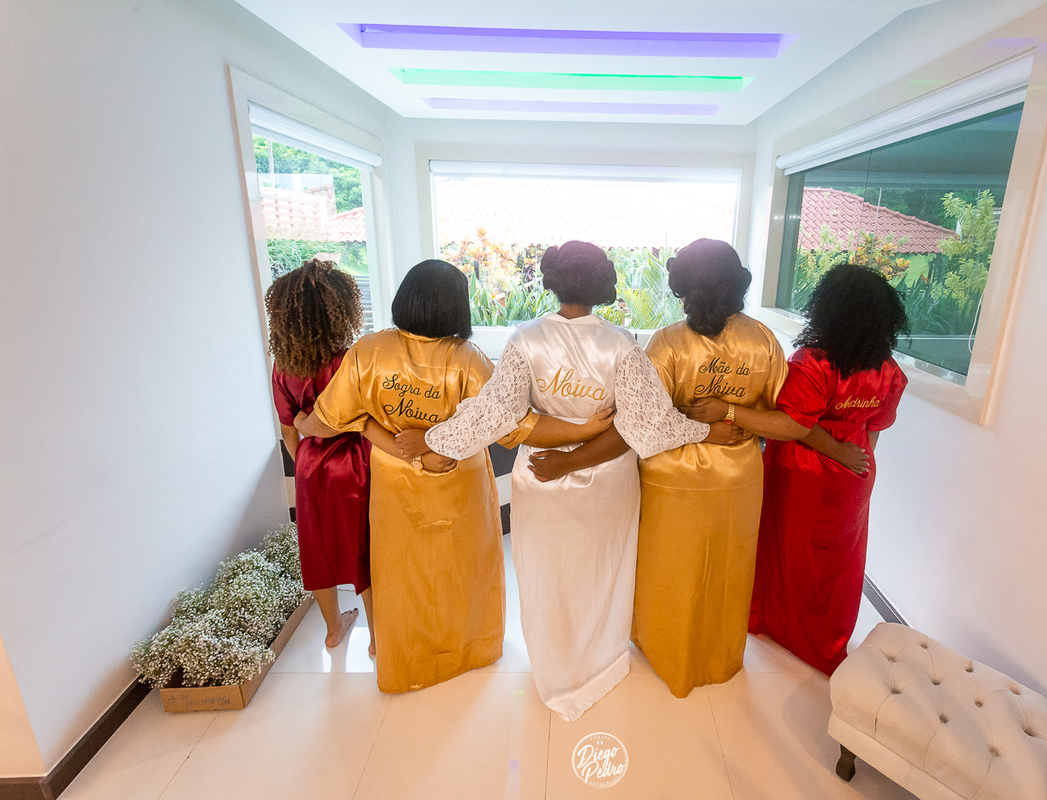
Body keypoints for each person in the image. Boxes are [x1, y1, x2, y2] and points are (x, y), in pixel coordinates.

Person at [396, 241, 741, 721]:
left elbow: (494, 412)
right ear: (602, 285)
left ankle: (555, 668)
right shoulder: (621, 343)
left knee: (545, 574)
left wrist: (434, 439)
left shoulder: (525, 338)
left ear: (553, 281)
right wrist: (706, 430)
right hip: (607, 481)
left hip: (540, 478)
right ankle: (599, 661)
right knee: (601, 569)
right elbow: (647, 426)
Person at [293, 260, 609, 693]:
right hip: (459, 481)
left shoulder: (368, 351)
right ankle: (469, 650)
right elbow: (517, 425)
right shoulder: (468, 361)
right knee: (464, 567)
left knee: (402, 571)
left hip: (395, 484)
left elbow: (329, 419)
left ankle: (410, 660)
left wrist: (317, 425)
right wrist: (582, 429)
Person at [629, 239, 868, 697]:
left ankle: (668, 649)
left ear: (683, 285)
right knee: (729, 568)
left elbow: (644, 421)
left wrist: (705, 427)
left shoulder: (667, 343)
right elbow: (787, 419)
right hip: (739, 475)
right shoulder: (763, 341)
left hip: (672, 477)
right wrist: (734, 420)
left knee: (671, 565)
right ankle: (720, 655)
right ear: (737, 284)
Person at [687, 262, 908, 676]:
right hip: (856, 471)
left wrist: (728, 410)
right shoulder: (889, 370)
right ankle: (826, 639)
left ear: (828, 308)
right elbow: (873, 428)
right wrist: (855, 463)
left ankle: (778, 624)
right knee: (839, 560)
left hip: (805, 470)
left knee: (786, 549)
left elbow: (794, 424)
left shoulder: (814, 363)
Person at [265, 260, 377, 653]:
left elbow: (288, 429)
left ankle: (333, 629)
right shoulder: (351, 360)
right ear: (339, 310)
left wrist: (307, 464)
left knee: (316, 547)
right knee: (363, 546)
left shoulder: (283, 367)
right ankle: (378, 639)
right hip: (355, 461)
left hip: (309, 465)